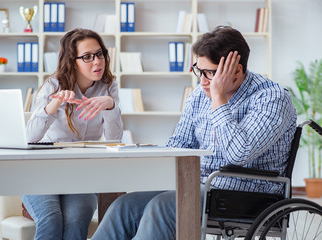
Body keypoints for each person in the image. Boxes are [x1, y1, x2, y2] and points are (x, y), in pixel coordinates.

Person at [91, 26, 297, 240]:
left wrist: (219, 99)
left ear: (236, 70)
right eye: (200, 71)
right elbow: (180, 143)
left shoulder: (272, 98)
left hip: (250, 194)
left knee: (162, 207)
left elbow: (239, 154)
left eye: (211, 73)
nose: (203, 81)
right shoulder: (199, 95)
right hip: (201, 186)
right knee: (124, 206)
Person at [22, 28, 123, 240]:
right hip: (43, 173)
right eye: (87, 57)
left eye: (100, 54)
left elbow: (114, 140)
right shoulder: (53, 85)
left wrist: (111, 106)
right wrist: (54, 104)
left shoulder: (109, 87)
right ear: (72, 60)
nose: (97, 62)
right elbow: (30, 137)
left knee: (76, 221)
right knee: (51, 219)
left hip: (81, 174)